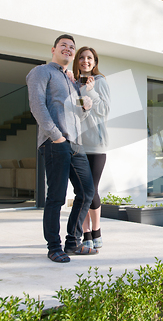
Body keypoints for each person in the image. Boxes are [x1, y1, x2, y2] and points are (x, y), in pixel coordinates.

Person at [26, 34, 99, 263]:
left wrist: (86, 104)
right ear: (53, 49)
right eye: (63, 46)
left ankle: (72, 242)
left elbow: (77, 112)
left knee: (87, 192)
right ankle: (53, 247)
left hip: (75, 143)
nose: (68, 49)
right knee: (56, 197)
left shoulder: (70, 79)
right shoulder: (41, 72)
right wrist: (55, 136)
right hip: (55, 142)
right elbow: (37, 105)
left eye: (71, 47)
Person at [72, 46, 110, 249]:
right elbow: (76, 112)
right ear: (77, 61)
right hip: (77, 145)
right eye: (82, 58)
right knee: (81, 191)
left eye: (89, 58)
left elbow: (105, 110)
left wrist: (91, 92)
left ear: (95, 62)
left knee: (91, 189)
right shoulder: (72, 84)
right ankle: (85, 233)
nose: (85, 61)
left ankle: (97, 230)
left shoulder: (100, 81)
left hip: (96, 144)